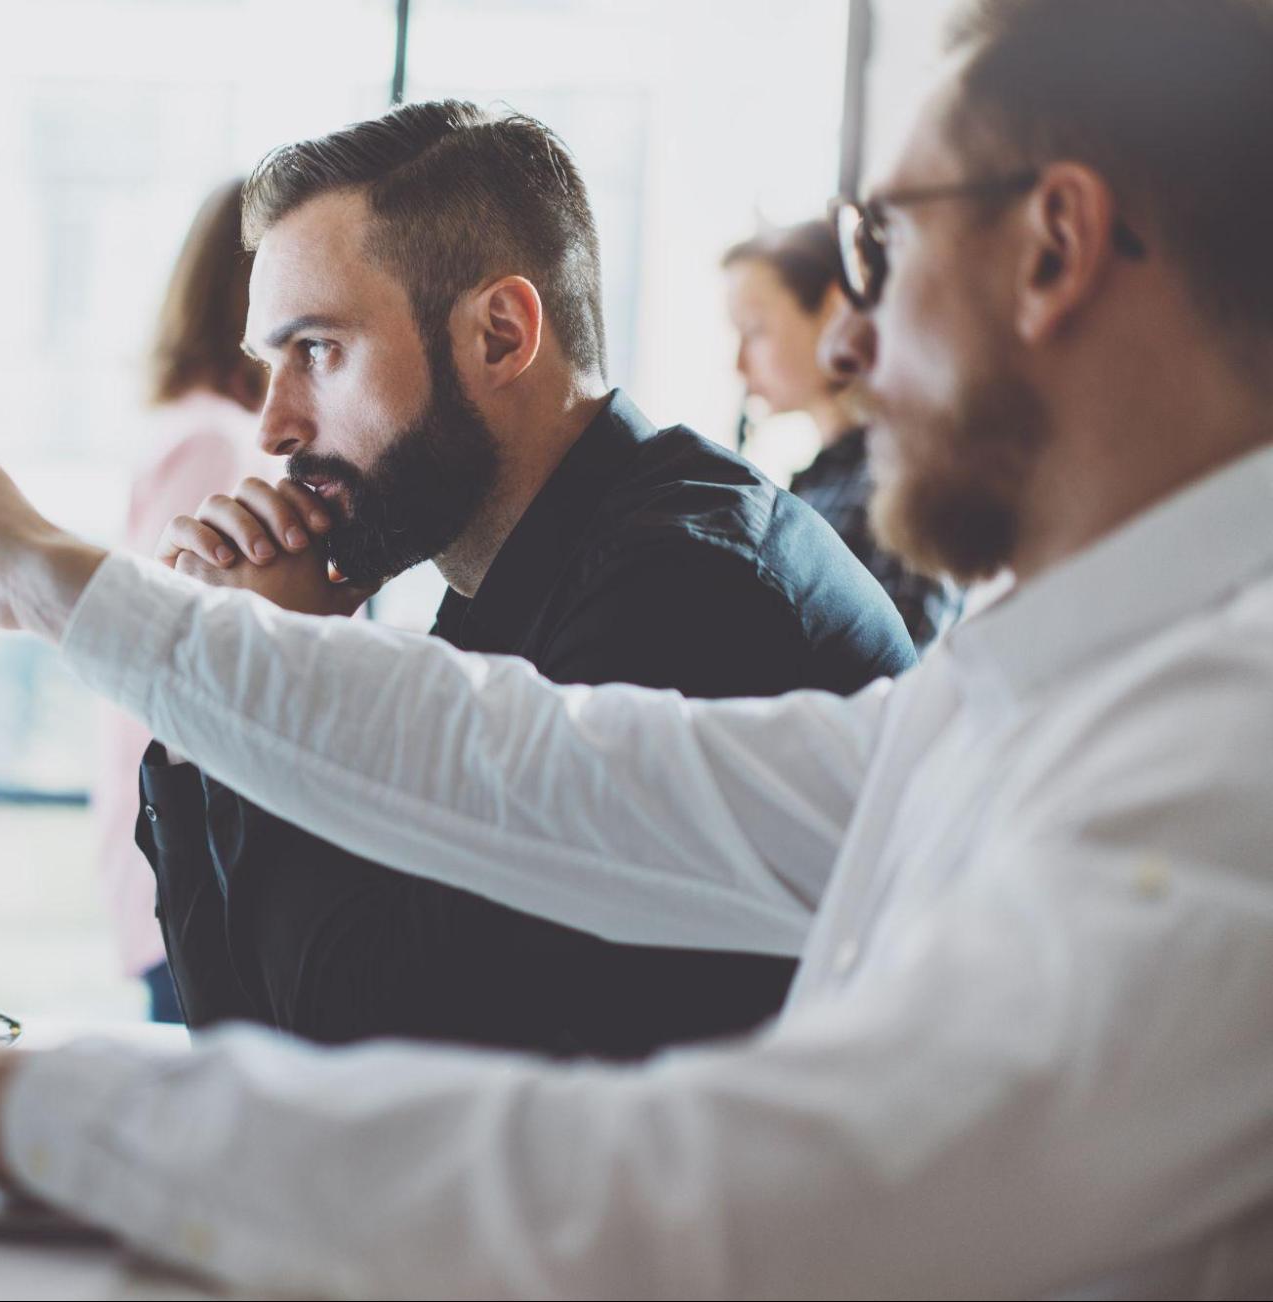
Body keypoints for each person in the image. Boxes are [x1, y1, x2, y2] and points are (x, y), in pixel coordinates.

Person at [0, 2, 1273, 1294]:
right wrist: (65, 584)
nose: (844, 344)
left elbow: (714, 1194)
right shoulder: (1030, 689)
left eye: (880, 245)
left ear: (1054, 245)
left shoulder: (1216, 763)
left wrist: (64, 1109)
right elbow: (534, 766)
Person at [132, 104, 910, 1058]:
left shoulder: (686, 594)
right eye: (269, 363)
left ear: (499, 335)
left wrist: (285, 671)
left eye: (320, 351)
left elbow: (380, 1065)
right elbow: (240, 1044)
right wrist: (200, 707)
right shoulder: (508, 584)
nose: (275, 427)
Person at [90, 179, 274, 1022]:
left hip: (178, 851)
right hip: (195, 855)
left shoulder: (198, 428)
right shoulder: (216, 441)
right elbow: (173, 649)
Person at [724, 219, 963, 648]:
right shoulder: (819, 483)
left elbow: (898, 672)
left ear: (834, 308)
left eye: (755, 331)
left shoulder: (896, 485)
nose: (739, 365)